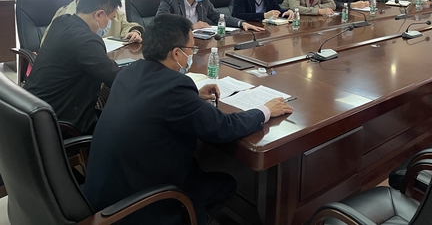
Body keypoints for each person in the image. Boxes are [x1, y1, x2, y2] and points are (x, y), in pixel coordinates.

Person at [83, 14, 293, 225]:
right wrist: (265, 110)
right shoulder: (175, 88)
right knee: (225, 184)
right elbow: (224, 128)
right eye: (191, 49)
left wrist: (193, 97)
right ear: (176, 53)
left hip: (103, 192)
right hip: (138, 205)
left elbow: (152, 101)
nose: (192, 54)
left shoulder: (129, 72)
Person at [25, 0, 121, 134]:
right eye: (111, 19)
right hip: (61, 122)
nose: (110, 24)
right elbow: (116, 77)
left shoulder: (61, 22)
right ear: (99, 14)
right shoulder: (87, 41)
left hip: (35, 110)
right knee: (124, 124)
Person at [41, 0, 143, 45]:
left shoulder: (111, 11)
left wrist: (133, 32)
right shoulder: (64, 15)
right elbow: (47, 44)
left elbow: (125, 25)